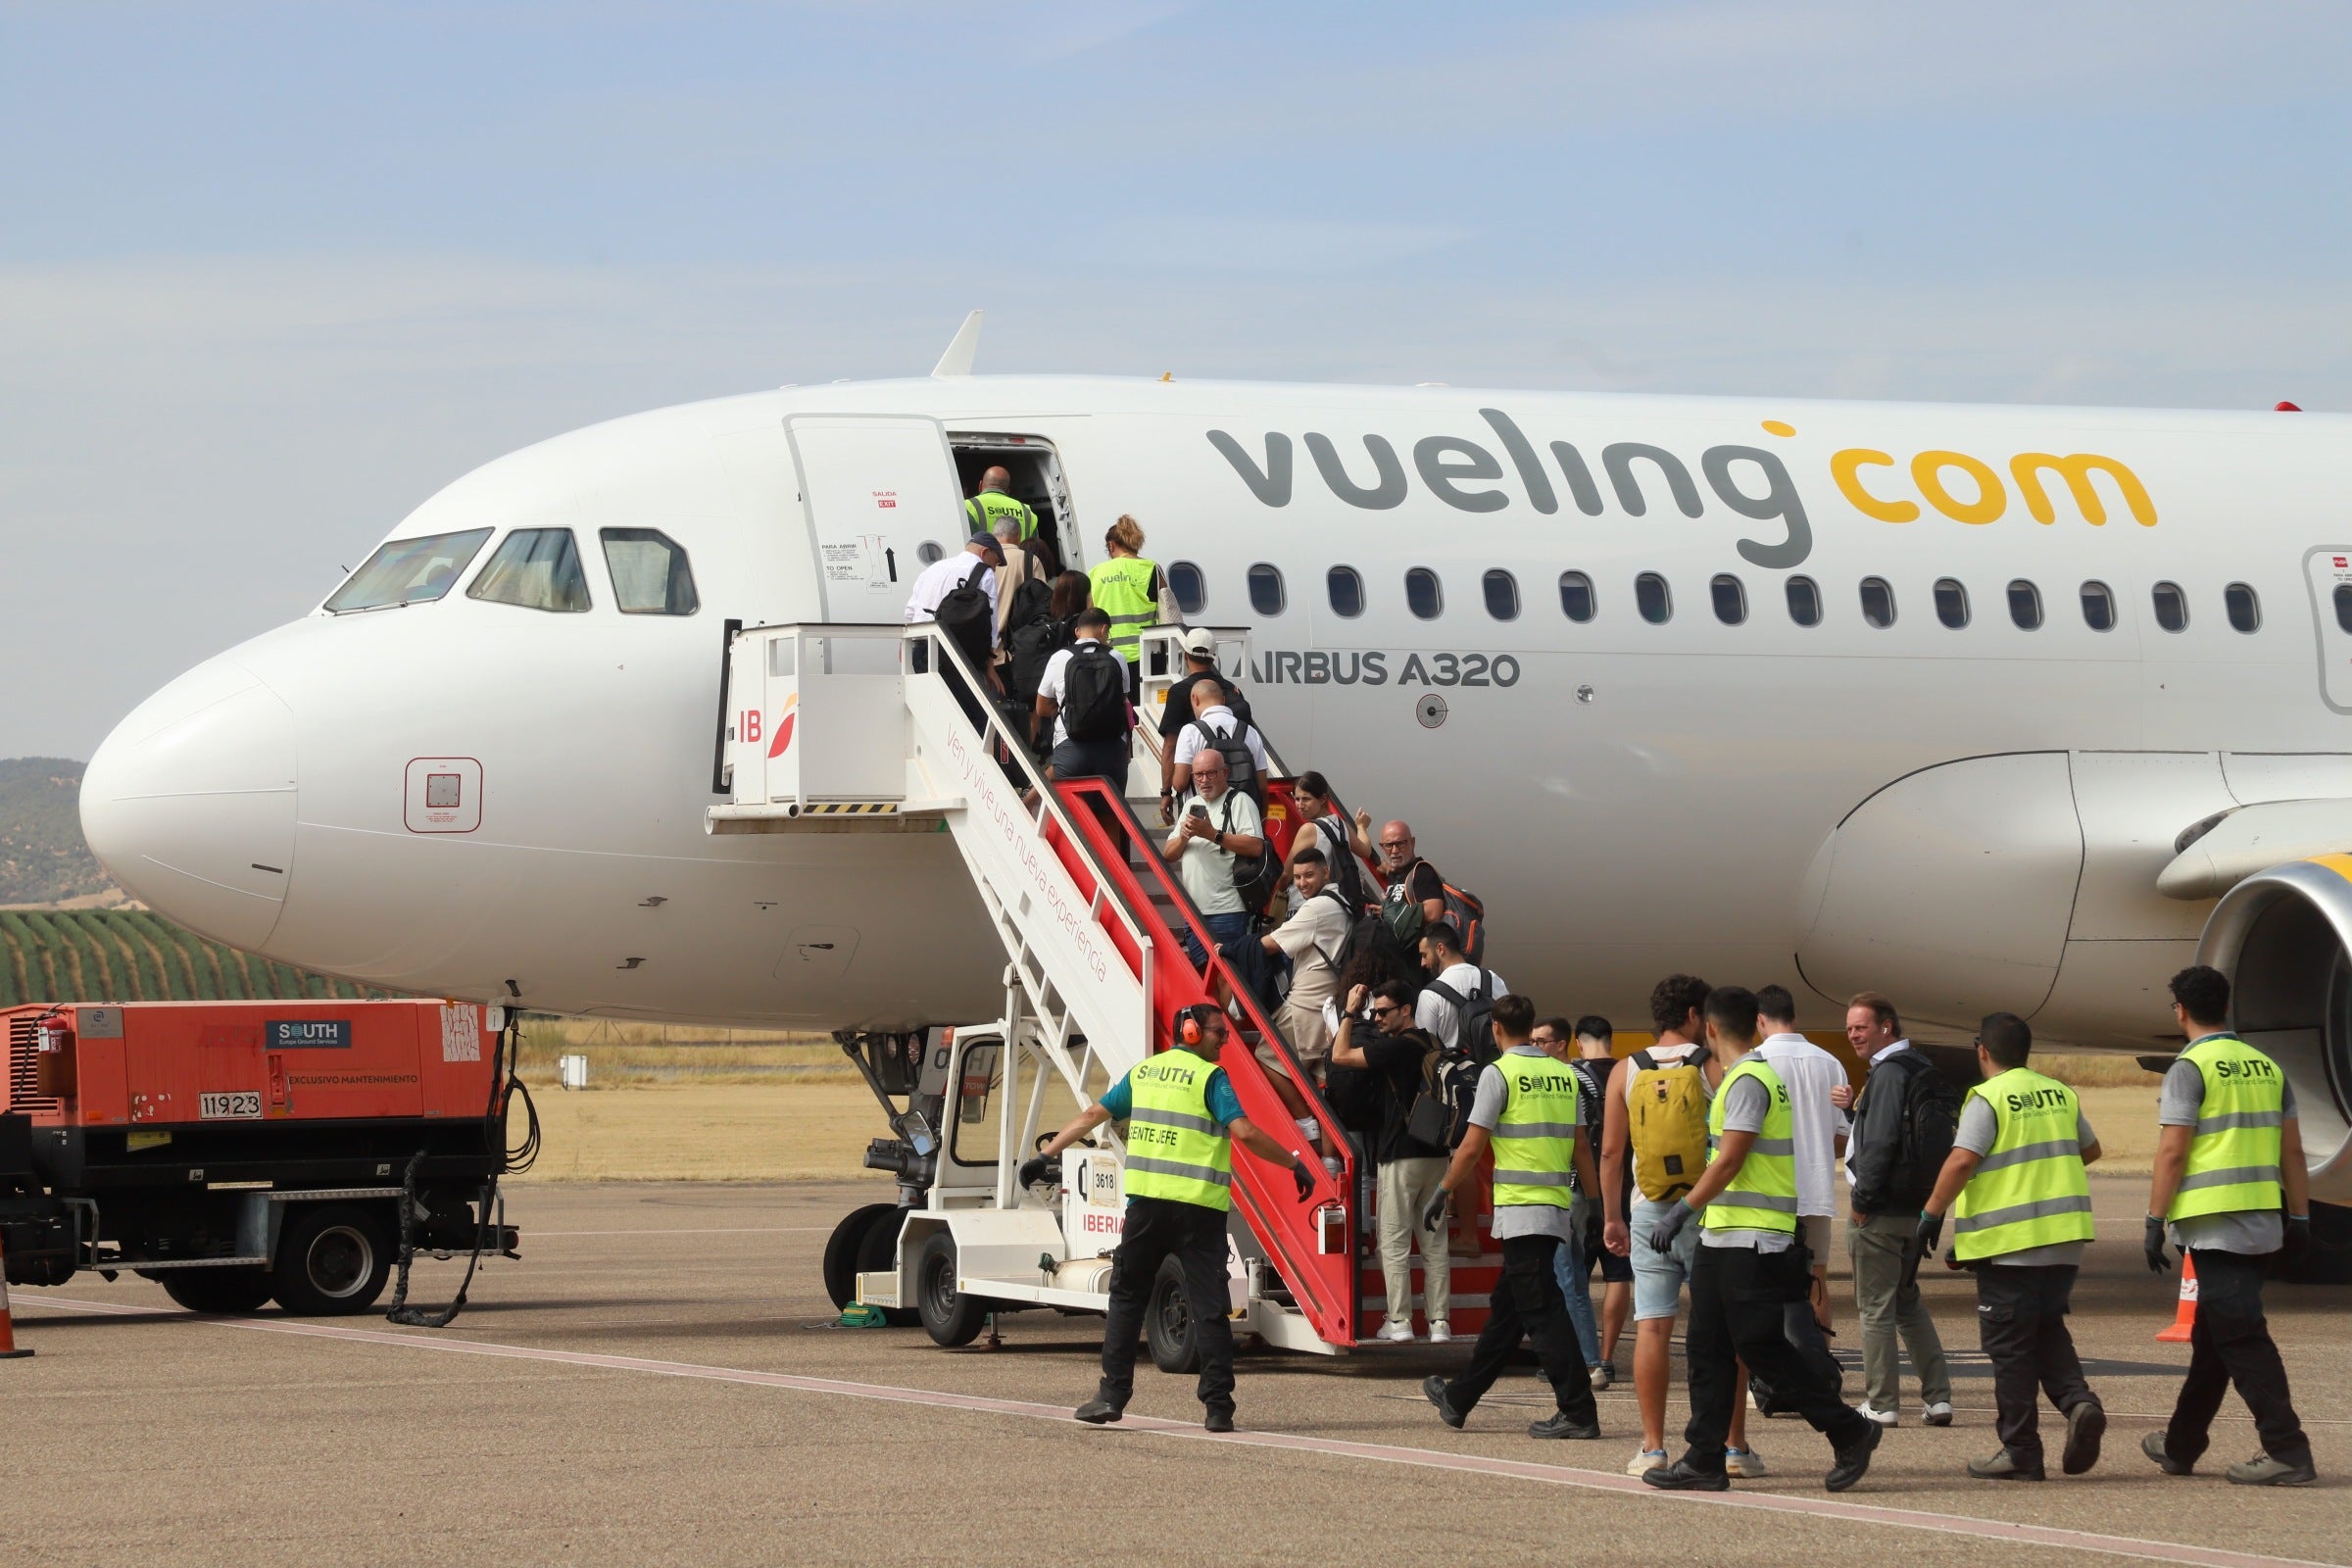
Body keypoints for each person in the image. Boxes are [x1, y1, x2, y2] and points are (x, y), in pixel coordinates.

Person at [1021, 1004, 1317, 1433]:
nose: (1225, 1040)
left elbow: (1091, 1116)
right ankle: (1218, 1409)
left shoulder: (1143, 1074)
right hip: (1200, 1212)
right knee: (1209, 1308)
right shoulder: (1210, 1078)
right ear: (1192, 1032)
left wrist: (1044, 1156)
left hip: (1147, 1210)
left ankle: (1111, 1395)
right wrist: (1294, 1164)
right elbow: (1246, 1133)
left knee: (1127, 1298)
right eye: (1219, 1033)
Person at [1642, 988, 1879, 1494]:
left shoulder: (1749, 1080)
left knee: (1761, 1348)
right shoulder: (1740, 1077)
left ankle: (1849, 1430)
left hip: (1753, 1240)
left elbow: (1730, 1158)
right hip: (1723, 1235)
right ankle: (1704, 1457)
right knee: (1707, 1349)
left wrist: (1681, 1210)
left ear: (1709, 1028)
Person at [1912, 1011, 2105, 1483]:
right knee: (2045, 1329)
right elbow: (2090, 1150)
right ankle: (2078, 1402)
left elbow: (1962, 1160)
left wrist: (1931, 1214)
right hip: (2065, 1240)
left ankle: (2020, 1449)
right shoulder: (2060, 1093)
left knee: (2010, 1348)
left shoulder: (1988, 1097)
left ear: (1982, 1050)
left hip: (2012, 1244)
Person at [2140, 965, 2315, 1487]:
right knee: (2213, 1341)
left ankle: (2287, 1450)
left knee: (2241, 1337)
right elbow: (2292, 1151)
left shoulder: (2190, 1067)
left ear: (2180, 1011)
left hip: (2214, 1223)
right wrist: (2300, 1216)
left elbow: (2173, 1151)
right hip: (2261, 1222)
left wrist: (2153, 1219)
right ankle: (2181, 1445)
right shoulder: (2267, 1066)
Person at [1420, 994, 1602, 1440]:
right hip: (1554, 1207)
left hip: (1522, 1208)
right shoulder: (1564, 1074)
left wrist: (1442, 1192)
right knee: (1509, 1312)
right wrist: (1597, 1205)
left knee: (1543, 1312)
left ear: (1495, 1030)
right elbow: (1581, 1146)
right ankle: (1459, 1398)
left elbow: (1471, 1145)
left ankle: (1578, 1410)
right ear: (1530, 1025)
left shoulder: (1499, 1073)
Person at [1602, 974, 1761, 1476]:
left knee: (1652, 1325)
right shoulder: (1713, 1066)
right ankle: (1734, 1446)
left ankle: (1652, 1447)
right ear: (1695, 1015)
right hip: (1703, 1210)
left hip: (1648, 1208)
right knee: (1723, 1330)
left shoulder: (1626, 1069)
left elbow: (1611, 1152)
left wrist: (1613, 1217)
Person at [1841, 990, 1956, 1428]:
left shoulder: (1888, 1073)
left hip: (1881, 1211)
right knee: (1908, 1303)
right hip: (1916, 1209)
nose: (1853, 1035)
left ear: (1886, 1026)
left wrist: (1862, 1202)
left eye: (1861, 1027)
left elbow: (1882, 1141)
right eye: (1850, 1028)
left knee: (1875, 1308)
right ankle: (1938, 1398)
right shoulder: (1921, 1067)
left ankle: (1882, 1402)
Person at [1330, 978, 1452, 1344]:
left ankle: (1399, 1321)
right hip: (1436, 1154)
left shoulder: (1395, 1047)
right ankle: (1439, 1323)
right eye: (1374, 1012)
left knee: (1393, 1242)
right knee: (1434, 1243)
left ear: (1406, 1010)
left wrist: (1350, 1012)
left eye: (1383, 1011)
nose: (1377, 1018)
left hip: (1399, 1155)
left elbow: (1340, 1055)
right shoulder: (1434, 1043)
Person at [1749, 985, 1849, 1412]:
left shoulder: (1755, 1062)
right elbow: (1842, 1138)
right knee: (1817, 1283)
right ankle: (1821, 1375)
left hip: (1767, 1196)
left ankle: (1772, 1379)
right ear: (1794, 1016)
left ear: (1760, 1020)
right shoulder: (1830, 1063)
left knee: (1764, 1289)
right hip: (1816, 1192)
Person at [1534, 1014, 1624, 1389]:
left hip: (1566, 1188)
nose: (1535, 1048)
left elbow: (1578, 1142)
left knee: (1565, 1278)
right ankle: (1588, 1359)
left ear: (1562, 1044)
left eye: (1541, 1041)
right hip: (1586, 1189)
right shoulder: (1588, 1078)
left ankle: (1584, 1361)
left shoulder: (1566, 1078)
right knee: (1575, 1278)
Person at [1256, 847, 1352, 1140]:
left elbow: (1271, 944)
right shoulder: (1342, 902)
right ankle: (1331, 1157)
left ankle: (1306, 1122)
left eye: (1309, 875)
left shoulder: (1316, 908)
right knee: (1322, 1080)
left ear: (1326, 872)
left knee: (1266, 1056)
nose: (1302, 883)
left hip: (1306, 1002)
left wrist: (1234, 949)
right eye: (1297, 877)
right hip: (1332, 1004)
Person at [1161, 746, 1262, 970]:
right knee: (1202, 974)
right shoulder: (1191, 804)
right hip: (1194, 912)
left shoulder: (1240, 801)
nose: (1204, 780)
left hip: (1228, 911)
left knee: (1226, 976)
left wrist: (1211, 834)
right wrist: (1184, 836)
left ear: (1225, 773)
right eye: (1198, 774)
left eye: (1210, 773)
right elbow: (1168, 854)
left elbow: (1256, 846)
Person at [903, 530, 1004, 728]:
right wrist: (990, 665)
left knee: (935, 710)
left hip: (920, 648)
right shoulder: (984, 572)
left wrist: (906, 644)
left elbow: (910, 610)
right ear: (985, 552)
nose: (995, 567)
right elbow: (990, 619)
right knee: (972, 715)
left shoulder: (933, 568)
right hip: (955, 652)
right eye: (996, 561)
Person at [1032, 608, 1131, 801]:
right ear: (1104, 629)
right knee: (1111, 812)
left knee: (1071, 813)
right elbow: (1122, 698)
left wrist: (1070, 709)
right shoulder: (1117, 657)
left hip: (1070, 748)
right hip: (1111, 748)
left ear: (1077, 631)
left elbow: (1041, 708)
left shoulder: (1059, 658)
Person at [1157, 627, 1254, 813]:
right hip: (1238, 799)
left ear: (1185, 656)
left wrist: (1166, 793)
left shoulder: (1180, 692)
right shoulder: (1232, 690)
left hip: (1199, 801)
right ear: (1213, 658)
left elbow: (1170, 747)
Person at [1086, 514, 1166, 701]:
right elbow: (1168, 608)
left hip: (1109, 655)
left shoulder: (1096, 573)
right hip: (1147, 655)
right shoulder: (1151, 568)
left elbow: (1089, 613)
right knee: (1148, 709)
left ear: (1111, 545)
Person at [1273, 771, 1372, 909]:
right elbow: (1365, 851)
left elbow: (1285, 874)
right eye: (1297, 799)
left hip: (1305, 907)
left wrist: (1278, 894)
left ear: (1323, 799)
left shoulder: (1309, 829)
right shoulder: (1340, 825)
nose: (1300, 805)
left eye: (1306, 799)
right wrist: (1361, 827)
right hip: (1335, 906)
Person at [1169, 678, 1270, 805]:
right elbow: (1262, 787)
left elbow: (1180, 784)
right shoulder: (1250, 732)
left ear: (1195, 699)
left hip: (1202, 813)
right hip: (1241, 810)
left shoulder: (1190, 731)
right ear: (1223, 700)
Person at [1413, 923, 1502, 1058]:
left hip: (1455, 1069)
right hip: (1495, 1067)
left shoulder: (1430, 995)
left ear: (1440, 949)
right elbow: (1511, 1025)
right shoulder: (1492, 979)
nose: (1423, 963)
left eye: (1424, 955)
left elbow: (1424, 1051)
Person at [1375, 821, 1448, 979]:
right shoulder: (1395, 873)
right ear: (1382, 847)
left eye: (1401, 843)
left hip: (1419, 968)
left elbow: (1433, 913)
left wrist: (1388, 910)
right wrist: (1361, 827)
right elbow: (1368, 852)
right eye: (1388, 845)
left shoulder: (1422, 872)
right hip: (1396, 964)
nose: (1395, 850)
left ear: (1412, 842)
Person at [964, 465, 1040, 542]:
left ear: (980, 486)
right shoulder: (1027, 511)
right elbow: (1035, 546)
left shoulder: (968, 506)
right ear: (1008, 491)